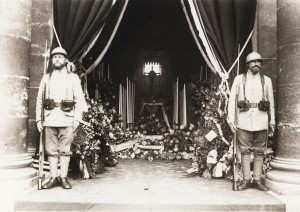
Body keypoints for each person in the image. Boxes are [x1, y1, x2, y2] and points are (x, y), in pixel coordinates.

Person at [36, 47, 86, 189]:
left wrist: (77, 118)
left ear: (65, 60)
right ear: (52, 60)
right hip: (49, 118)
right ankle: (54, 178)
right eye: (54, 57)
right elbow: (39, 100)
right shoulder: (46, 78)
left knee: (65, 150)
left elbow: (80, 99)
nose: (57, 59)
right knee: (51, 150)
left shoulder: (73, 78)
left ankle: (63, 178)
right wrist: (39, 120)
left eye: (60, 57)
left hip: (67, 118)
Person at [227, 51, 275, 191]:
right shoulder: (238, 79)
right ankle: (246, 180)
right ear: (248, 64)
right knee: (245, 151)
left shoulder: (267, 80)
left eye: (258, 62)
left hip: (261, 120)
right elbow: (232, 102)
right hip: (243, 121)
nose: (256, 64)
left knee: (260, 151)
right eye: (253, 62)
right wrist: (231, 121)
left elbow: (271, 102)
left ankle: (257, 180)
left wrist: (272, 121)